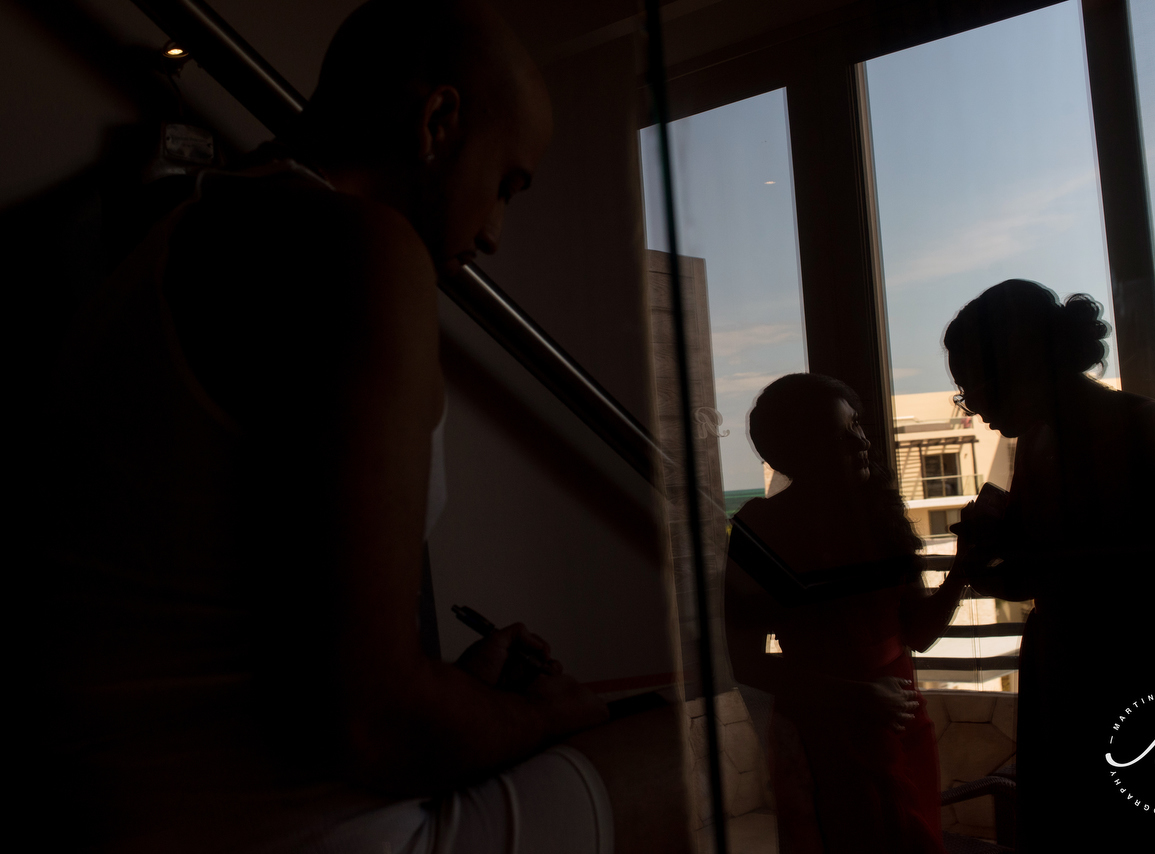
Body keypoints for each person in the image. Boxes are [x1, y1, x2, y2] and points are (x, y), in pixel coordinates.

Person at [42, 2, 689, 852]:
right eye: (505, 184)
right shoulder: (361, 250)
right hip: (293, 832)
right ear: (439, 120)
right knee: (754, 734)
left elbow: (291, 665)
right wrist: (539, 715)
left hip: (124, 813)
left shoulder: (170, 241)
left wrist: (456, 693)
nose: (495, 233)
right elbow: (377, 727)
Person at [943, 279, 1155, 852]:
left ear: (1020, 365)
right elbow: (1038, 573)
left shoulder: (1148, 430)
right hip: (1100, 666)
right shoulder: (1062, 439)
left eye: (976, 389)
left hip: (1141, 665)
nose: (977, 411)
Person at [723, 373, 968, 853]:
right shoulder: (762, 527)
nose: (861, 440)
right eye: (840, 434)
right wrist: (855, 696)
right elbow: (742, 660)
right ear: (797, 451)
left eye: (856, 425)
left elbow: (916, 633)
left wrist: (964, 569)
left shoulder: (879, 514)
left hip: (901, 722)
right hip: (825, 730)